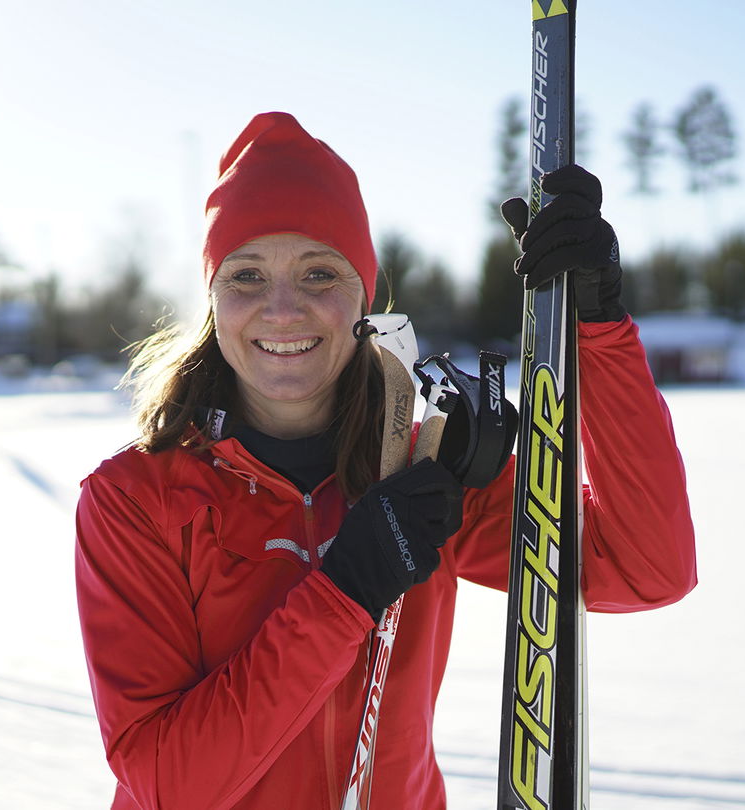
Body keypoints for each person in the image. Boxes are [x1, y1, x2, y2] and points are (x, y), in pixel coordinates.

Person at [74, 111, 696, 810]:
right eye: (246, 275)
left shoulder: (429, 468)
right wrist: (344, 592)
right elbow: (168, 785)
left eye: (318, 273)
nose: (282, 310)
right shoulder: (136, 499)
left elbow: (646, 568)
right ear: (213, 299)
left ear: (362, 295)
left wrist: (596, 326)